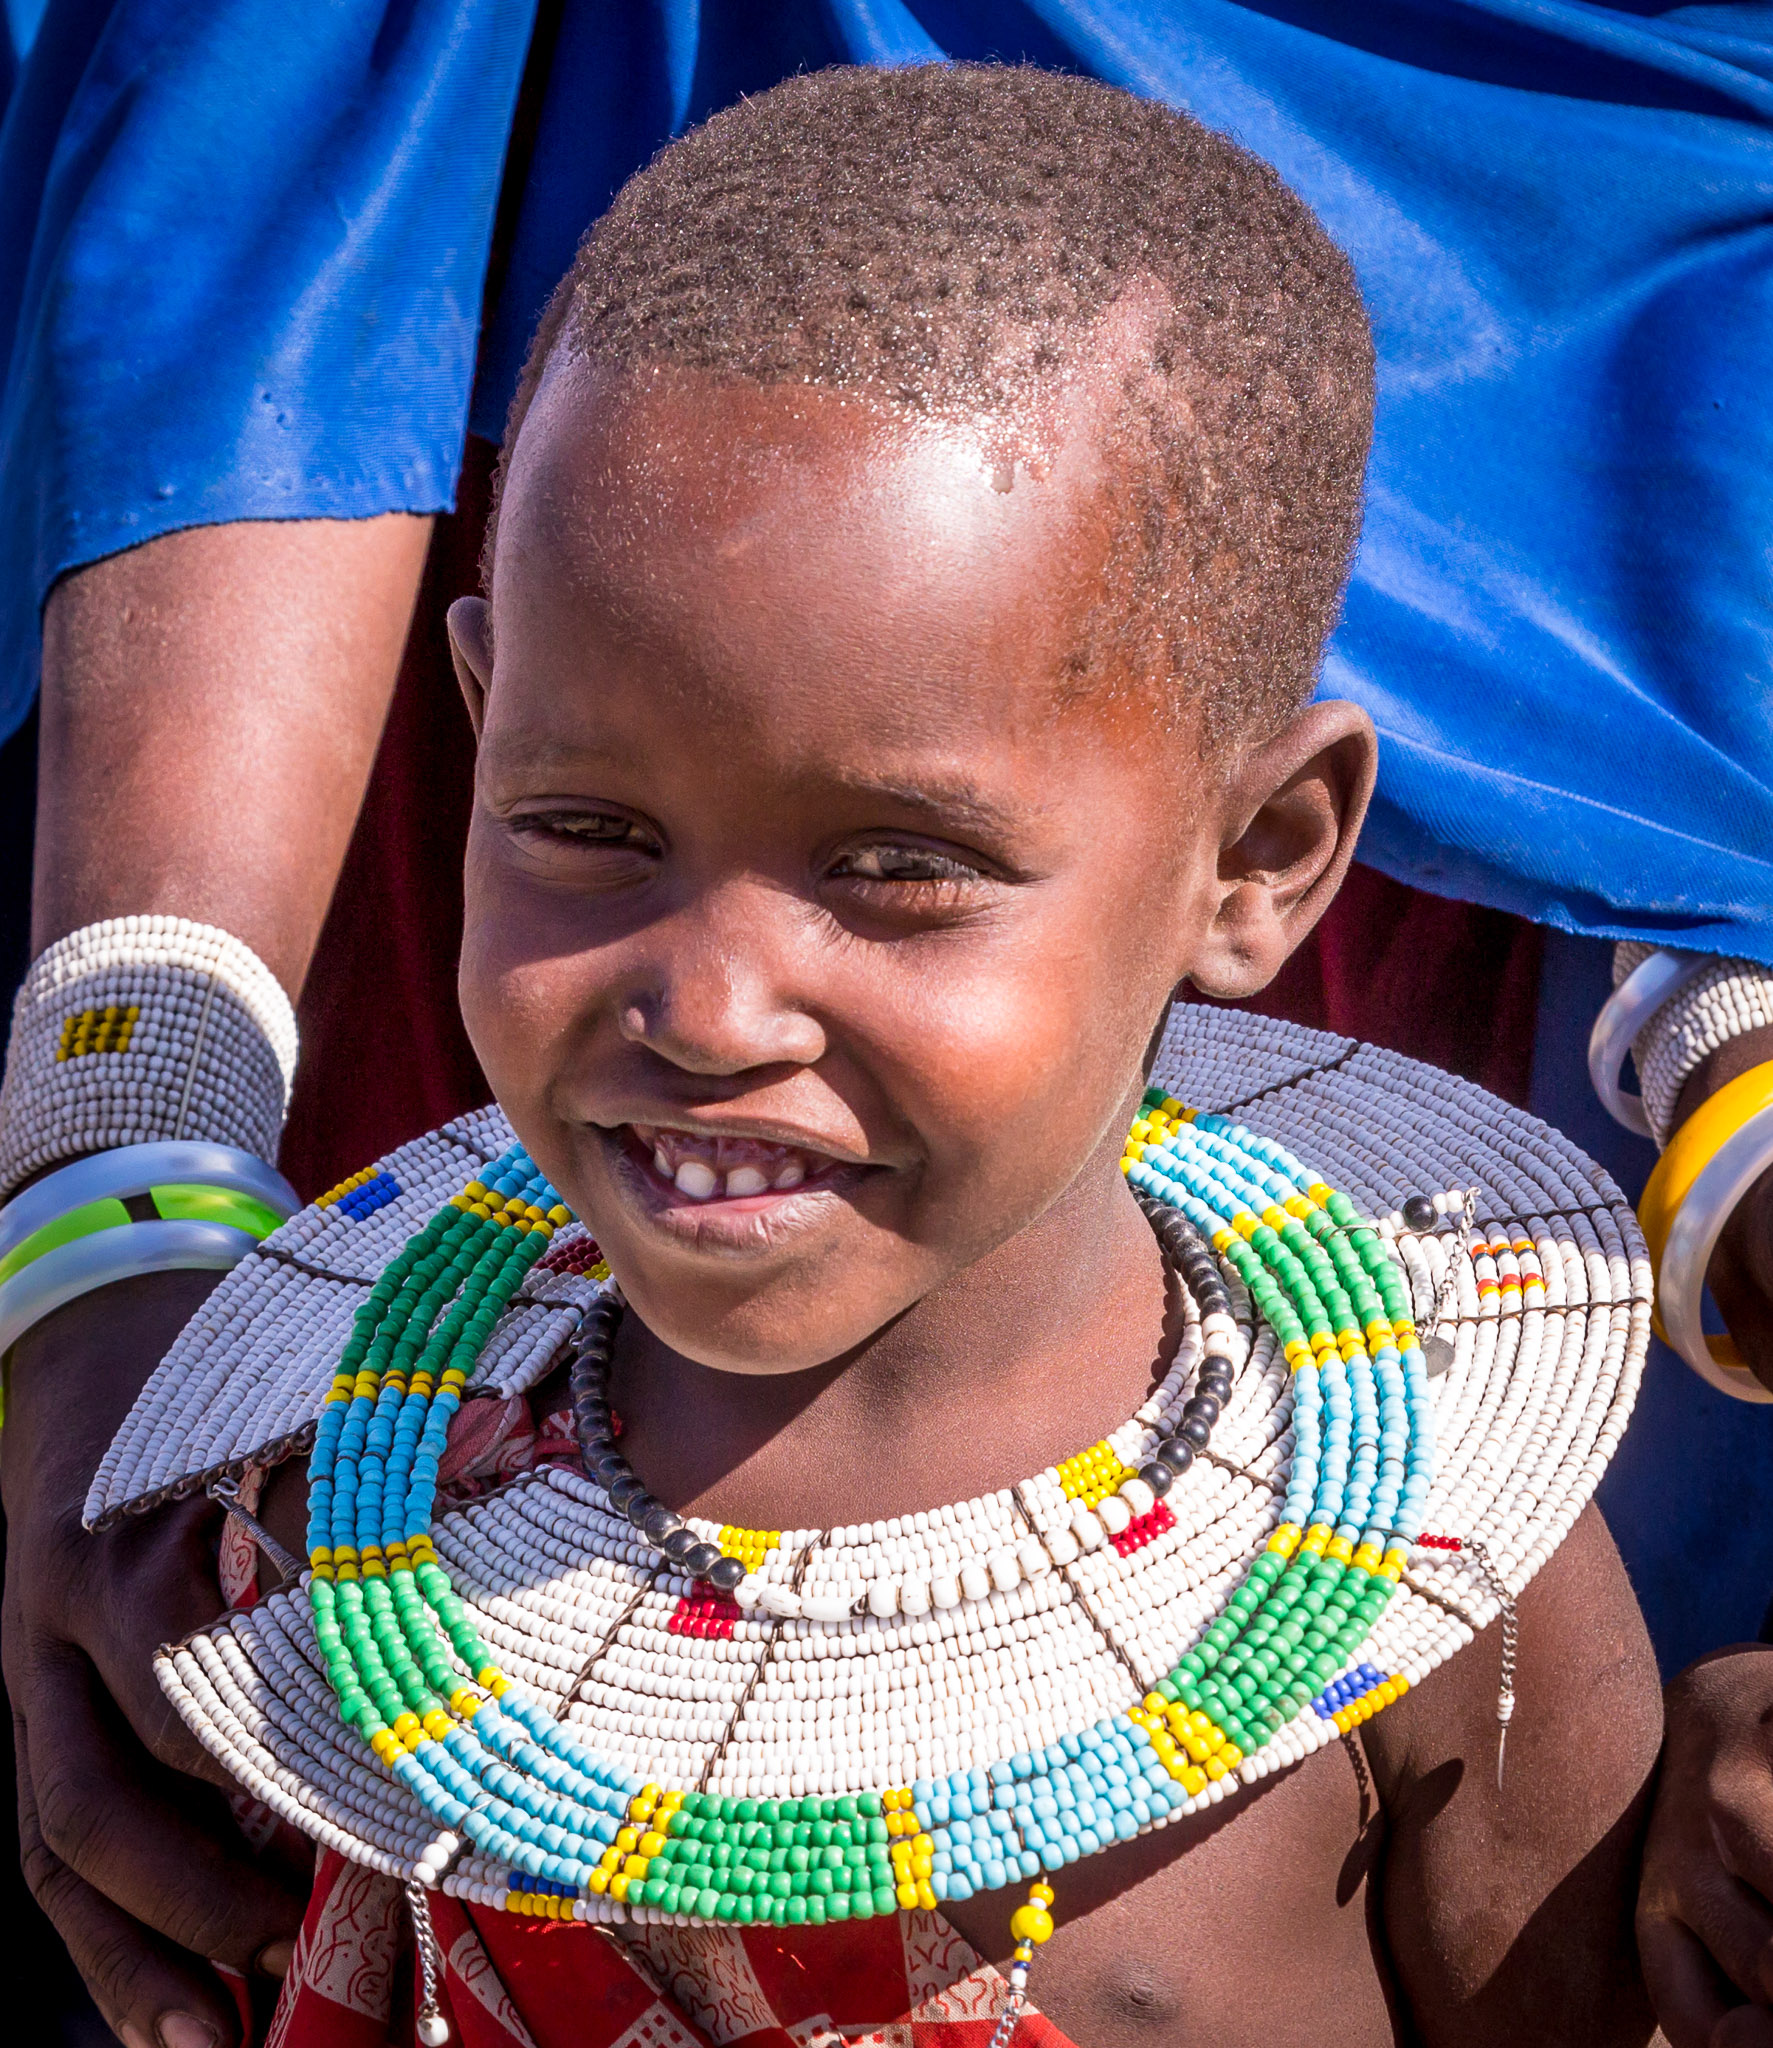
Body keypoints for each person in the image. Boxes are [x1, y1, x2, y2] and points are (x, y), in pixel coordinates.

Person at [1, 9, 1769, 2048]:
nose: (709, 997)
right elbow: (264, 203)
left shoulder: (1427, 1570)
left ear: (1265, 856)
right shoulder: (298, 1555)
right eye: (587, 827)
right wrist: (117, 1191)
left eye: (894, 867)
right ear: (476, 737)